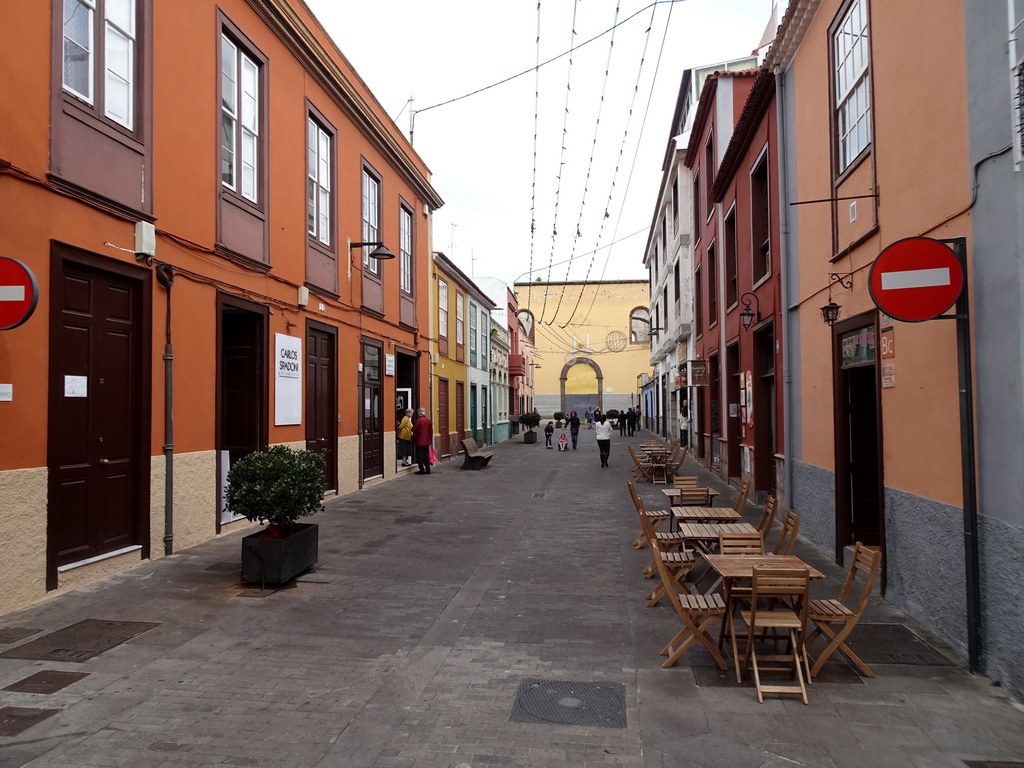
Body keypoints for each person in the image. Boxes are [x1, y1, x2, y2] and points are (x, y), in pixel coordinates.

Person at [412, 407, 433, 475]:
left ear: (419, 413)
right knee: (426, 456)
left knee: (420, 456)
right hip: (427, 441)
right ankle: (428, 469)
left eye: (418, 413)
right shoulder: (429, 421)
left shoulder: (419, 421)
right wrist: (430, 440)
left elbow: (413, 429)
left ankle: (421, 469)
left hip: (420, 441)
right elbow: (431, 432)